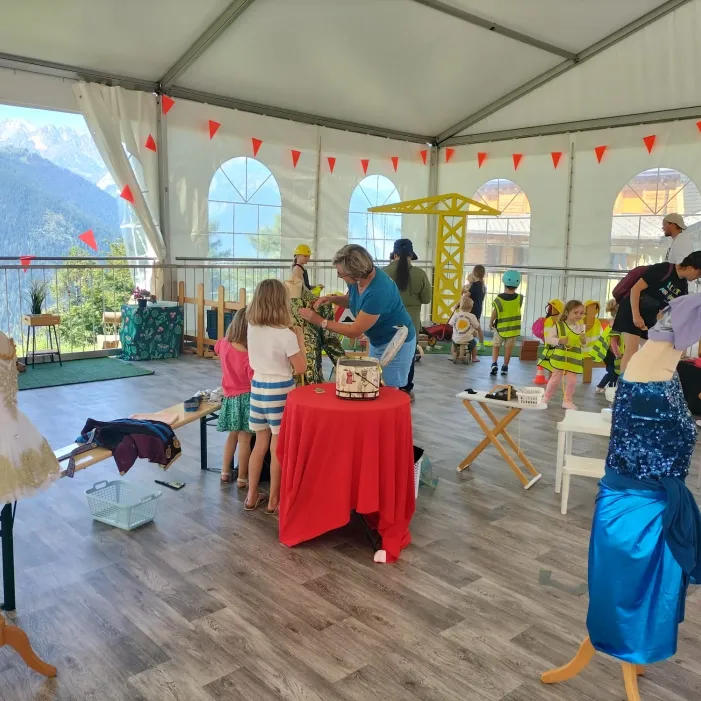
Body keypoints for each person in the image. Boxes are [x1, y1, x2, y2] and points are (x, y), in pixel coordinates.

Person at [542, 297, 701, 696]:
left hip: (659, 507)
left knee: (652, 594)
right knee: (626, 593)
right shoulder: (647, 369)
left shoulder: (665, 366)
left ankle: (636, 647)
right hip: (632, 514)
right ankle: (624, 645)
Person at [300, 244, 415, 390]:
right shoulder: (359, 280)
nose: (338, 276)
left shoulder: (379, 291)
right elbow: (354, 300)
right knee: (375, 384)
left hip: (396, 342)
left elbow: (354, 331)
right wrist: (333, 299)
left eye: (341, 274)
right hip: (378, 340)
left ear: (356, 273)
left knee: (389, 390)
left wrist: (319, 321)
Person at [245, 279, 306, 514]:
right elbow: (301, 368)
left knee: (259, 444)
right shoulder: (286, 335)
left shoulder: (252, 327)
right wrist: (300, 340)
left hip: (258, 387)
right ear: (282, 302)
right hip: (280, 389)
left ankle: (251, 496)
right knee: (277, 448)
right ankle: (273, 500)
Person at [612, 252, 701, 373]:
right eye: (699, 273)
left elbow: (675, 310)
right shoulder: (663, 269)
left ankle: (639, 380)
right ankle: (624, 383)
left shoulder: (683, 285)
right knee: (631, 350)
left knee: (650, 353)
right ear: (690, 267)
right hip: (631, 309)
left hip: (649, 315)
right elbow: (635, 289)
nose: (697, 278)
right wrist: (636, 315)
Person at [383, 238, 431, 397]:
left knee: (385, 354)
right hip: (411, 323)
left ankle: (385, 387)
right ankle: (405, 389)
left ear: (394, 254)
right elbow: (426, 299)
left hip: (386, 322)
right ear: (411, 255)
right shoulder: (420, 274)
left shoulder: (382, 273)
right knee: (408, 357)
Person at [215, 308, 254, 486]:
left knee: (232, 435)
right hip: (247, 398)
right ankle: (242, 478)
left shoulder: (223, 344)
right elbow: (253, 379)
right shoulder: (248, 355)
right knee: (245, 440)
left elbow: (216, 348)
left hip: (229, 398)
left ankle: (224, 472)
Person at [543, 299, 586, 410]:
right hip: (560, 358)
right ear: (567, 312)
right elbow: (548, 339)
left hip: (573, 359)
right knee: (555, 380)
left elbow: (583, 344)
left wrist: (583, 340)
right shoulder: (558, 326)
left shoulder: (580, 327)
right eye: (576, 312)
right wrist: (559, 341)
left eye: (581, 313)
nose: (579, 315)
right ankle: (545, 398)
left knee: (572, 381)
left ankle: (567, 401)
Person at [489, 270, 523, 376]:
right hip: (513, 329)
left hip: (500, 328)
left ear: (504, 282)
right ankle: (505, 367)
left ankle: (494, 364)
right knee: (508, 348)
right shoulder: (520, 298)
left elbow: (495, 312)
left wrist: (490, 321)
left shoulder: (499, 299)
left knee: (496, 346)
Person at [590, 299, 624, 393]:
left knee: (614, 372)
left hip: (608, 353)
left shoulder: (614, 323)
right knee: (613, 372)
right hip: (610, 354)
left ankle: (611, 387)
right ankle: (600, 386)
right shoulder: (616, 326)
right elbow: (613, 342)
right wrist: (617, 355)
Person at [532, 298, 564, 385]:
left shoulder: (549, 320)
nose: (552, 310)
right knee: (550, 364)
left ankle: (548, 379)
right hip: (553, 347)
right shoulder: (550, 321)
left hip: (552, 346)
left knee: (547, 363)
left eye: (553, 308)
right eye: (551, 308)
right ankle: (549, 380)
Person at [448, 295, 479, 362]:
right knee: (474, 345)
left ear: (460, 306)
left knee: (453, 344)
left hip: (456, 339)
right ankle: (474, 357)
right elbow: (476, 326)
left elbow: (450, 324)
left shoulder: (456, 315)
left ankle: (453, 354)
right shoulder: (472, 316)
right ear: (471, 308)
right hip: (468, 339)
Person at [465, 265, 487, 356]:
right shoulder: (482, 285)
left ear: (474, 273)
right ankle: (481, 344)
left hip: (472, 308)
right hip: (478, 308)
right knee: (477, 326)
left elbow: (466, 296)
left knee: (473, 326)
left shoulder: (475, 285)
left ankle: (471, 343)